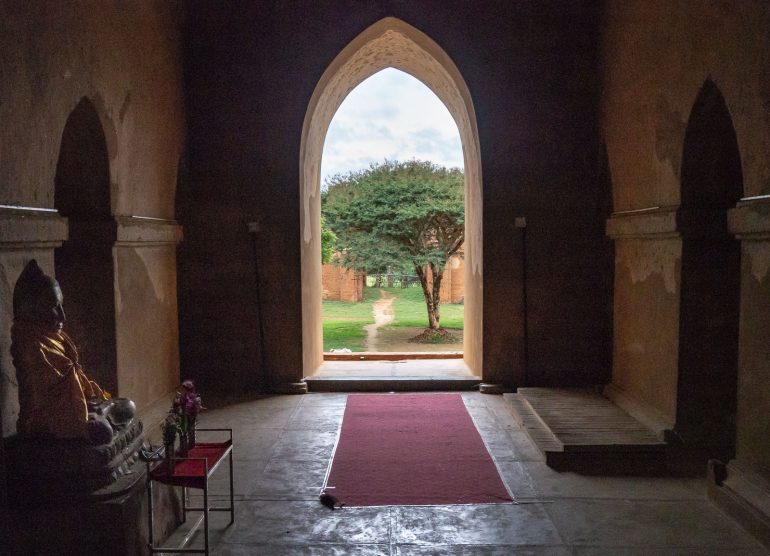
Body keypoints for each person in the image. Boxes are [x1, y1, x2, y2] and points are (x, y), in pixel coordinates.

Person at [11, 259, 114, 442]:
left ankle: (100, 412)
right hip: (47, 425)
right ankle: (98, 414)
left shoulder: (55, 338)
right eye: (53, 306)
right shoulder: (31, 347)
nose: (62, 316)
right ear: (33, 309)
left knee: (127, 406)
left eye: (61, 305)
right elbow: (41, 407)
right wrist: (81, 417)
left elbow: (74, 388)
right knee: (104, 431)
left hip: (74, 409)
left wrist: (90, 404)